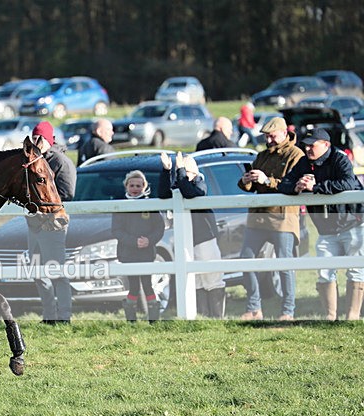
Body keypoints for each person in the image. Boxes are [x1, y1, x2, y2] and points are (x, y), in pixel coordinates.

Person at [277, 128, 364, 321]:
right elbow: (283, 184)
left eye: (312, 145)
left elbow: (348, 184)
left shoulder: (340, 158)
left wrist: (315, 187)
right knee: (325, 271)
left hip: (353, 223)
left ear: (326, 145)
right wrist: (296, 187)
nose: (307, 148)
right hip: (326, 229)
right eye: (306, 144)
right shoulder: (303, 162)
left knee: (356, 270)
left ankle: (352, 317)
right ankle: (330, 317)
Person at [237, 117, 305, 321]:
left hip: (283, 217)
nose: (269, 140)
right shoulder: (262, 156)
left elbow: (291, 185)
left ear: (285, 133)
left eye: (272, 136)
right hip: (258, 216)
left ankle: (288, 311)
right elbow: (248, 187)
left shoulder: (297, 155)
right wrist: (246, 180)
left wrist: (267, 180)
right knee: (245, 259)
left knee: (285, 264)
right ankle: (254, 308)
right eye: (266, 136)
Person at [158, 152, 226, 318]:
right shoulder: (179, 185)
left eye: (185, 171)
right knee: (194, 280)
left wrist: (181, 169)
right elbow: (163, 194)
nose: (181, 175)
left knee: (212, 277)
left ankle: (217, 317)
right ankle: (201, 315)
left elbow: (189, 193)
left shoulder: (199, 184)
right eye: (180, 171)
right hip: (185, 241)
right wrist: (166, 171)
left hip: (204, 238)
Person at [27, 121, 75, 325]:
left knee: (57, 271)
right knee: (37, 272)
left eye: (39, 138)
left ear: (47, 139)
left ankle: (64, 316)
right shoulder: (32, 159)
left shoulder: (60, 161)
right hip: (34, 224)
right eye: (34, 138)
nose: (36, 142)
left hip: (53, 224)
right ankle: (49, 315)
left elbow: (68, 193)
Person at [112, 171, 165, 322]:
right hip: (128, 253)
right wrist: (134, 241)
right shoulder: (119, 205)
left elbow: (159, 227)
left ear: (144, 187)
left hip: (146, 253)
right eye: (132, 185)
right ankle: (131, 321)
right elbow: (116, 230)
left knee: (148, 285)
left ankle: (154, 320)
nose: (135, 188)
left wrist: (149, 240)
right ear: (126, 186)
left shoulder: (150, 204)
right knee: (133, 286)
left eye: (139, 185)